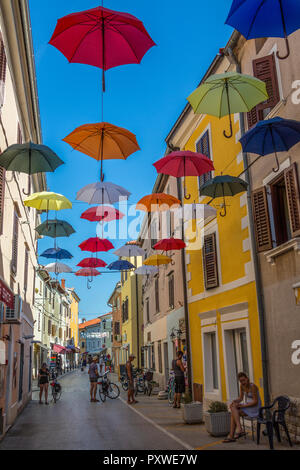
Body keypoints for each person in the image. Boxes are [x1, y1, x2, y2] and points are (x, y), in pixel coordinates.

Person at [223, 372, 262, 443]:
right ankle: (238, 429)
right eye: (241, 381)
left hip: (255, 408)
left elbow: (255, 402)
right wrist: (235, 401)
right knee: (233, 407)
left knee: (233, 413)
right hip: (248, 407)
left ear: (247, 379)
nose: (242, 382)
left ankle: (233, 434)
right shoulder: (242, 386)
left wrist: (243, 406)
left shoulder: (253, 386)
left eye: (244, 380)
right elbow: (241, 398)